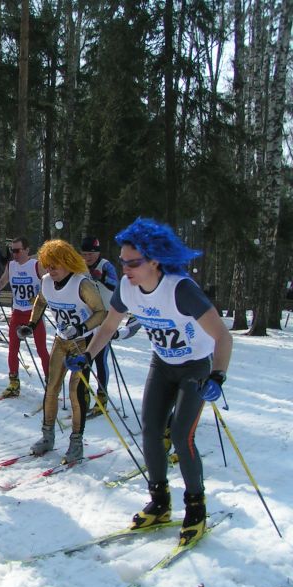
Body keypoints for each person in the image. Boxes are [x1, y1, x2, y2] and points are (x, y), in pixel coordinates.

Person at [66, 218, 232, 546]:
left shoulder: (180, 290)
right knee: (151, 431)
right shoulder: (127, 288)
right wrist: (87, 355)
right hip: (163, 364)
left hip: (195, 367)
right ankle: (160, 502)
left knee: (182, 435)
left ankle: (195, 508)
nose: (126, 268)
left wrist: (218, 375)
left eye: (133, 262)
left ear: (154, 260)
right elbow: (110, 327)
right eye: (123, 261)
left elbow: (223, 337)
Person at [16, 239, 106, 463]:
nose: (50, 270)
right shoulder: (46, 282)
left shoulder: (81, 284)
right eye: (47, 265)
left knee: (76, 392)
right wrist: (31, 324)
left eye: (55, 265)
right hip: (61, 340)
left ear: (67, 262)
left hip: (83, 343)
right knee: (51, 388)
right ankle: (47, 437)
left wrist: (81, 328)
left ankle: (76, 442)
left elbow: (101, 312)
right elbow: (40, 301)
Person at [0, 237, 49, 396]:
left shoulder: (36, 265)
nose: (14, 254)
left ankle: (51, 384)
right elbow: (3, 282)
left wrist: (39, 297)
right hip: (17, 312)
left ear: (27, 250)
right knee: (12, 348)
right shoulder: (11, 265)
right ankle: (14, 383)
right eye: (11, 250)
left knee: (42, 349)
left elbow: (49, 286)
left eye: (17, 250)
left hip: (34, 314)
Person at [81, 236, 120, 416]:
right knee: (84, 357)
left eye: (91, 254)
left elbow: (116, 285)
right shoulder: (80, 265)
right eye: (85, 254)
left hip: (104, 317)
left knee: (99, 359)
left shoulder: (105, 265)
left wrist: (103, 277)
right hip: (87, 317)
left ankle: (102, 397)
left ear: (97, 253)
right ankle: (84, 395)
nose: (88, 257)